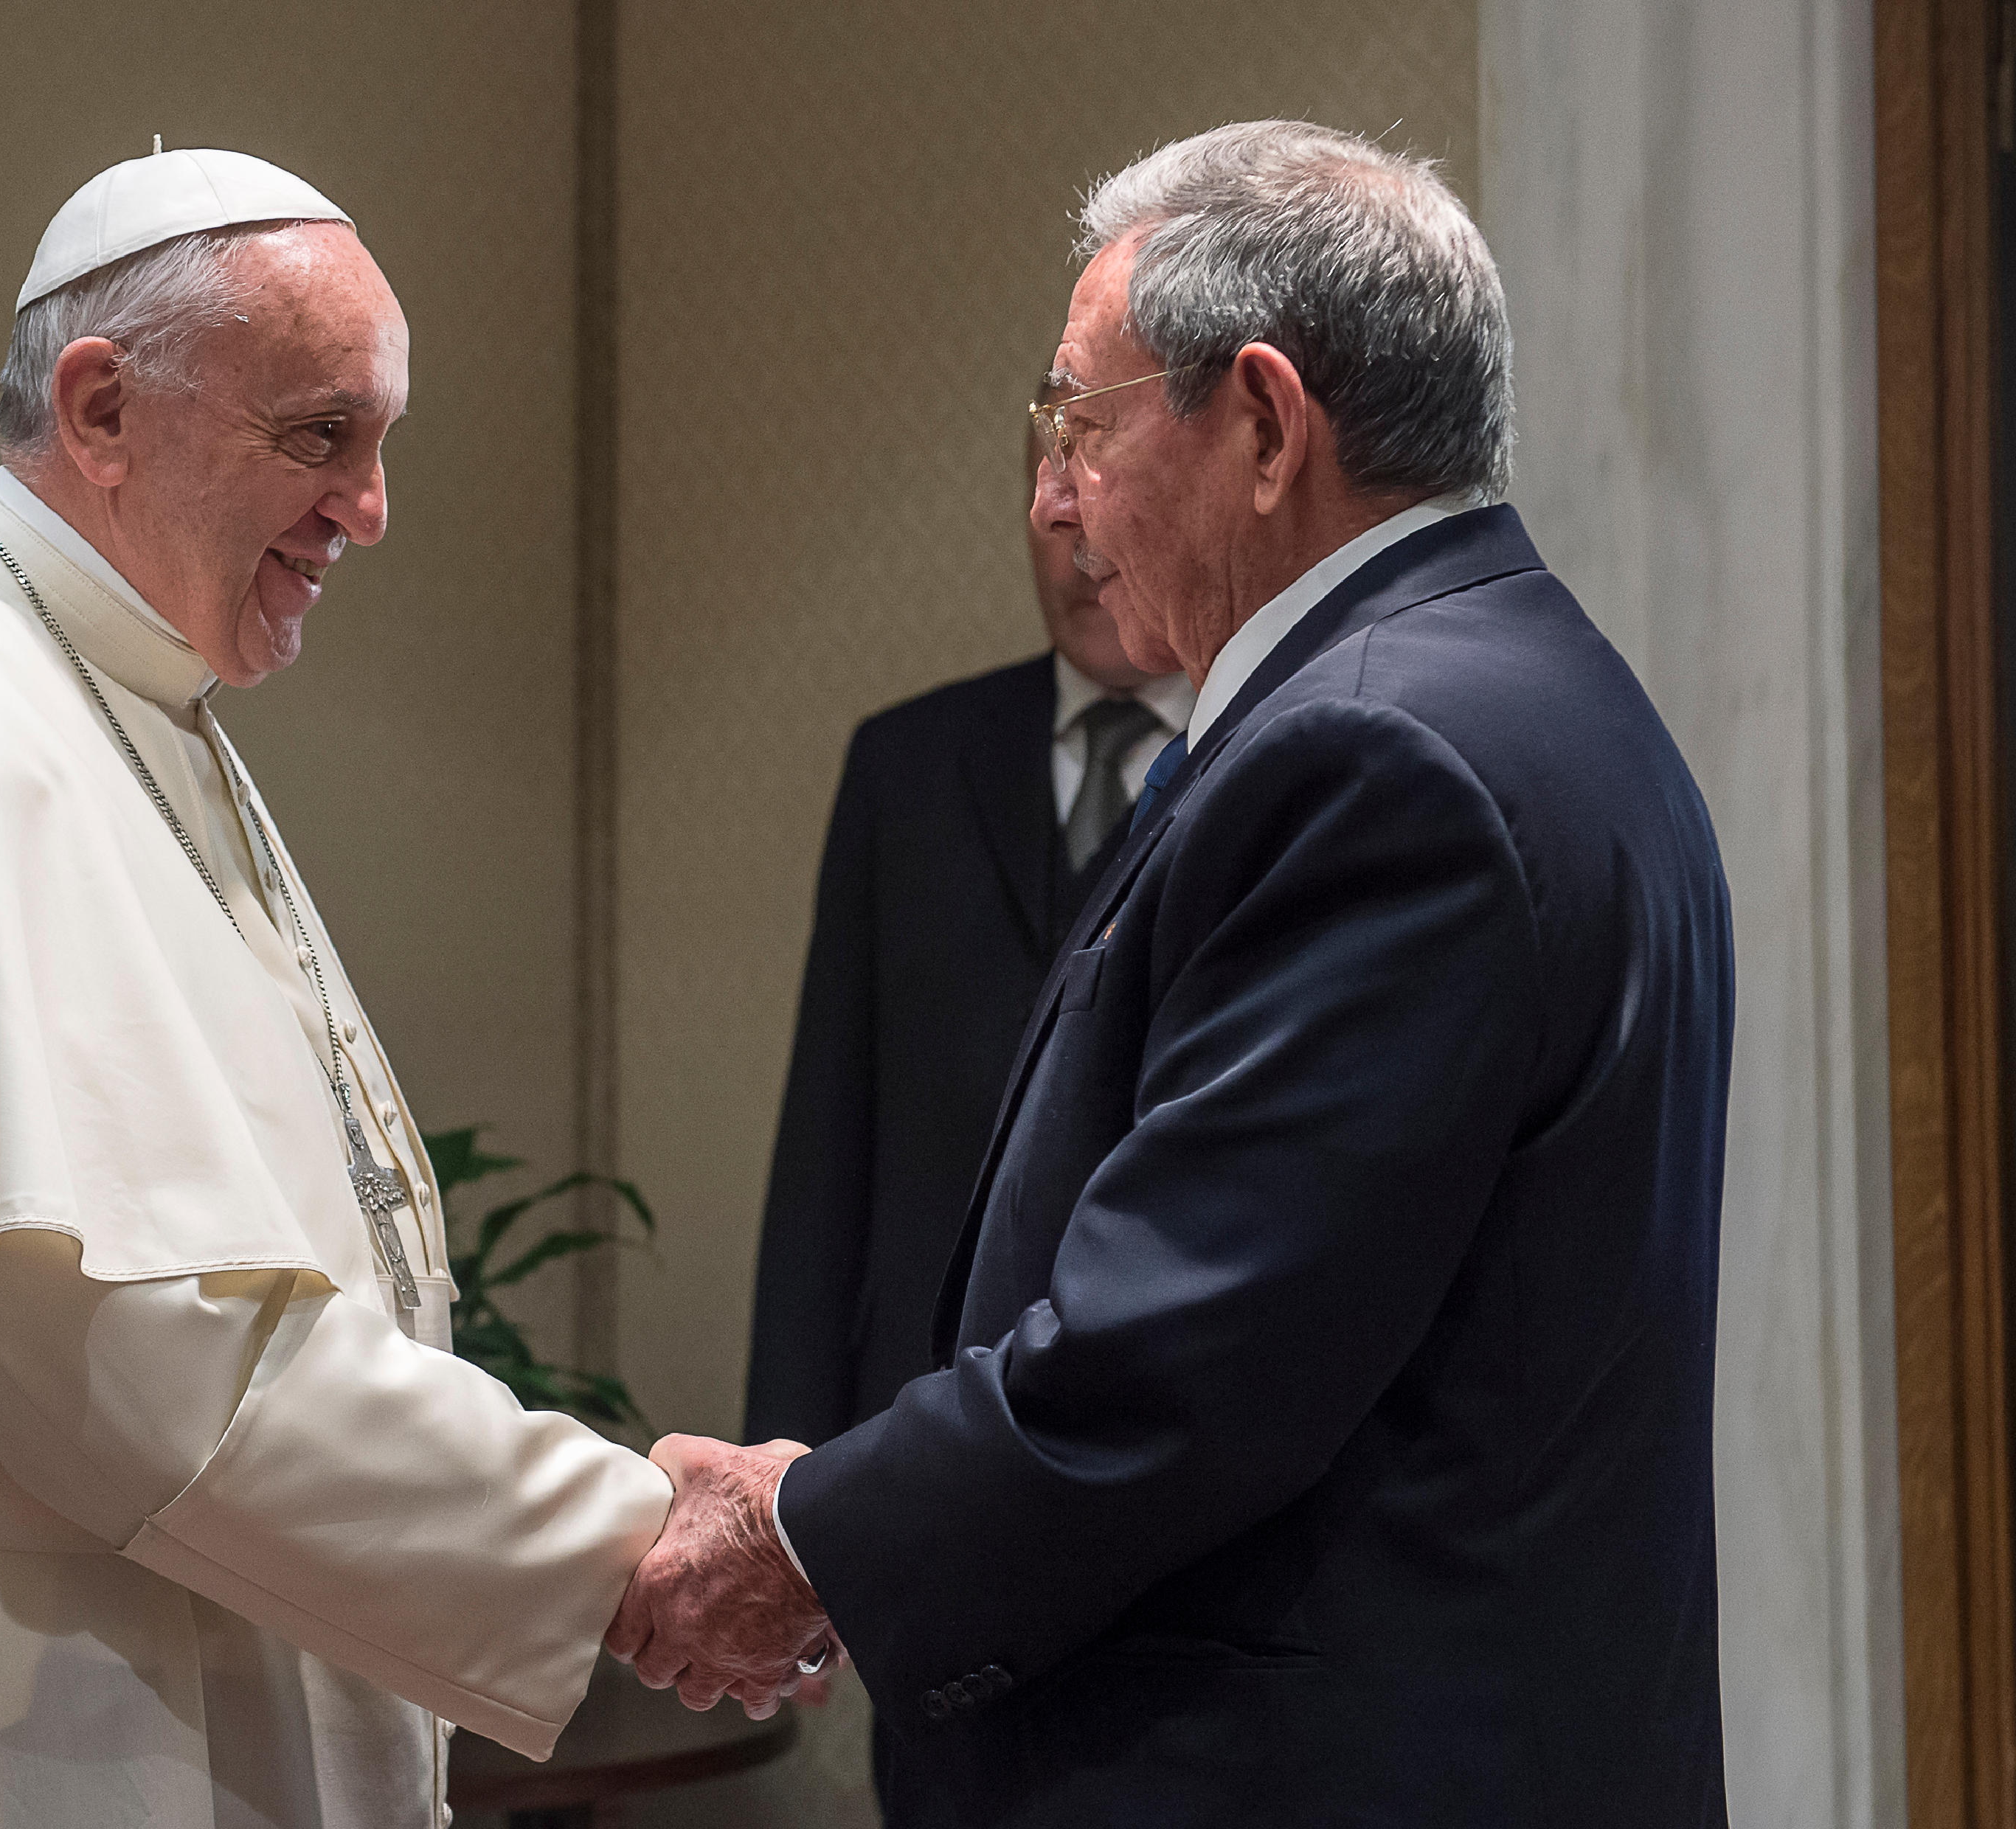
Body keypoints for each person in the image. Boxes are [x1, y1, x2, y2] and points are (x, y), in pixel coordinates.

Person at [610, 120, 1733, 1827]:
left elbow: (1181, 1359)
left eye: (1081, 424)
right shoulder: (1514, 688)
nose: (1051, 499)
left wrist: (800, 1535)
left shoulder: (1380, 757)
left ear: (1266, 425)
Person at [0, 147, 673, 1829]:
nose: (370, 508)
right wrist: (624, 1547)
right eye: (321, 435)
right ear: (101, 411)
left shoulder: (128, 695)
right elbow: (139, 1361)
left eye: (381, 442)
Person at [742, 399, 1190, 1450]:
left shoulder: (1268, 765)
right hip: (904, 1407)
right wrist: (780, 1465)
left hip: (1137, 1417)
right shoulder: (906, 764)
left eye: (1106, 493)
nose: (1077, 543)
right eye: (1051, 494)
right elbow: (825, 1150)